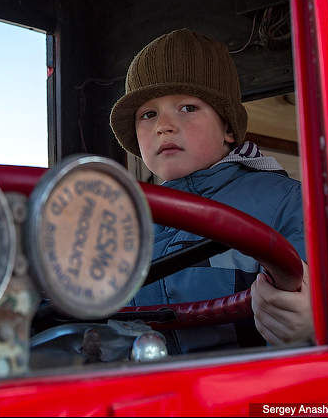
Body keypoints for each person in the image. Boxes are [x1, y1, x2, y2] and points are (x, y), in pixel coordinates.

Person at [109, 28, 312, 353]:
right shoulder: (124, 220)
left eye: (187, 108)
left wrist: (314, 324)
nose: (163, 126)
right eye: (148, 115)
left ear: (228, 128)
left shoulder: (286, 202)